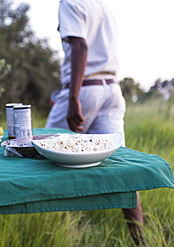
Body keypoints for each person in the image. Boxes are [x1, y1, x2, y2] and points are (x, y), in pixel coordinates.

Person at [45, 0, 144, 245]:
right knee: (121, 169)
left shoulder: (70, 1)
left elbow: (80, 45)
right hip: (111, 90)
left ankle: (57, 233)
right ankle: (141, 241)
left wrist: (73, 97)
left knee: (43, 156)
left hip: (86, 91)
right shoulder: (101, 5)